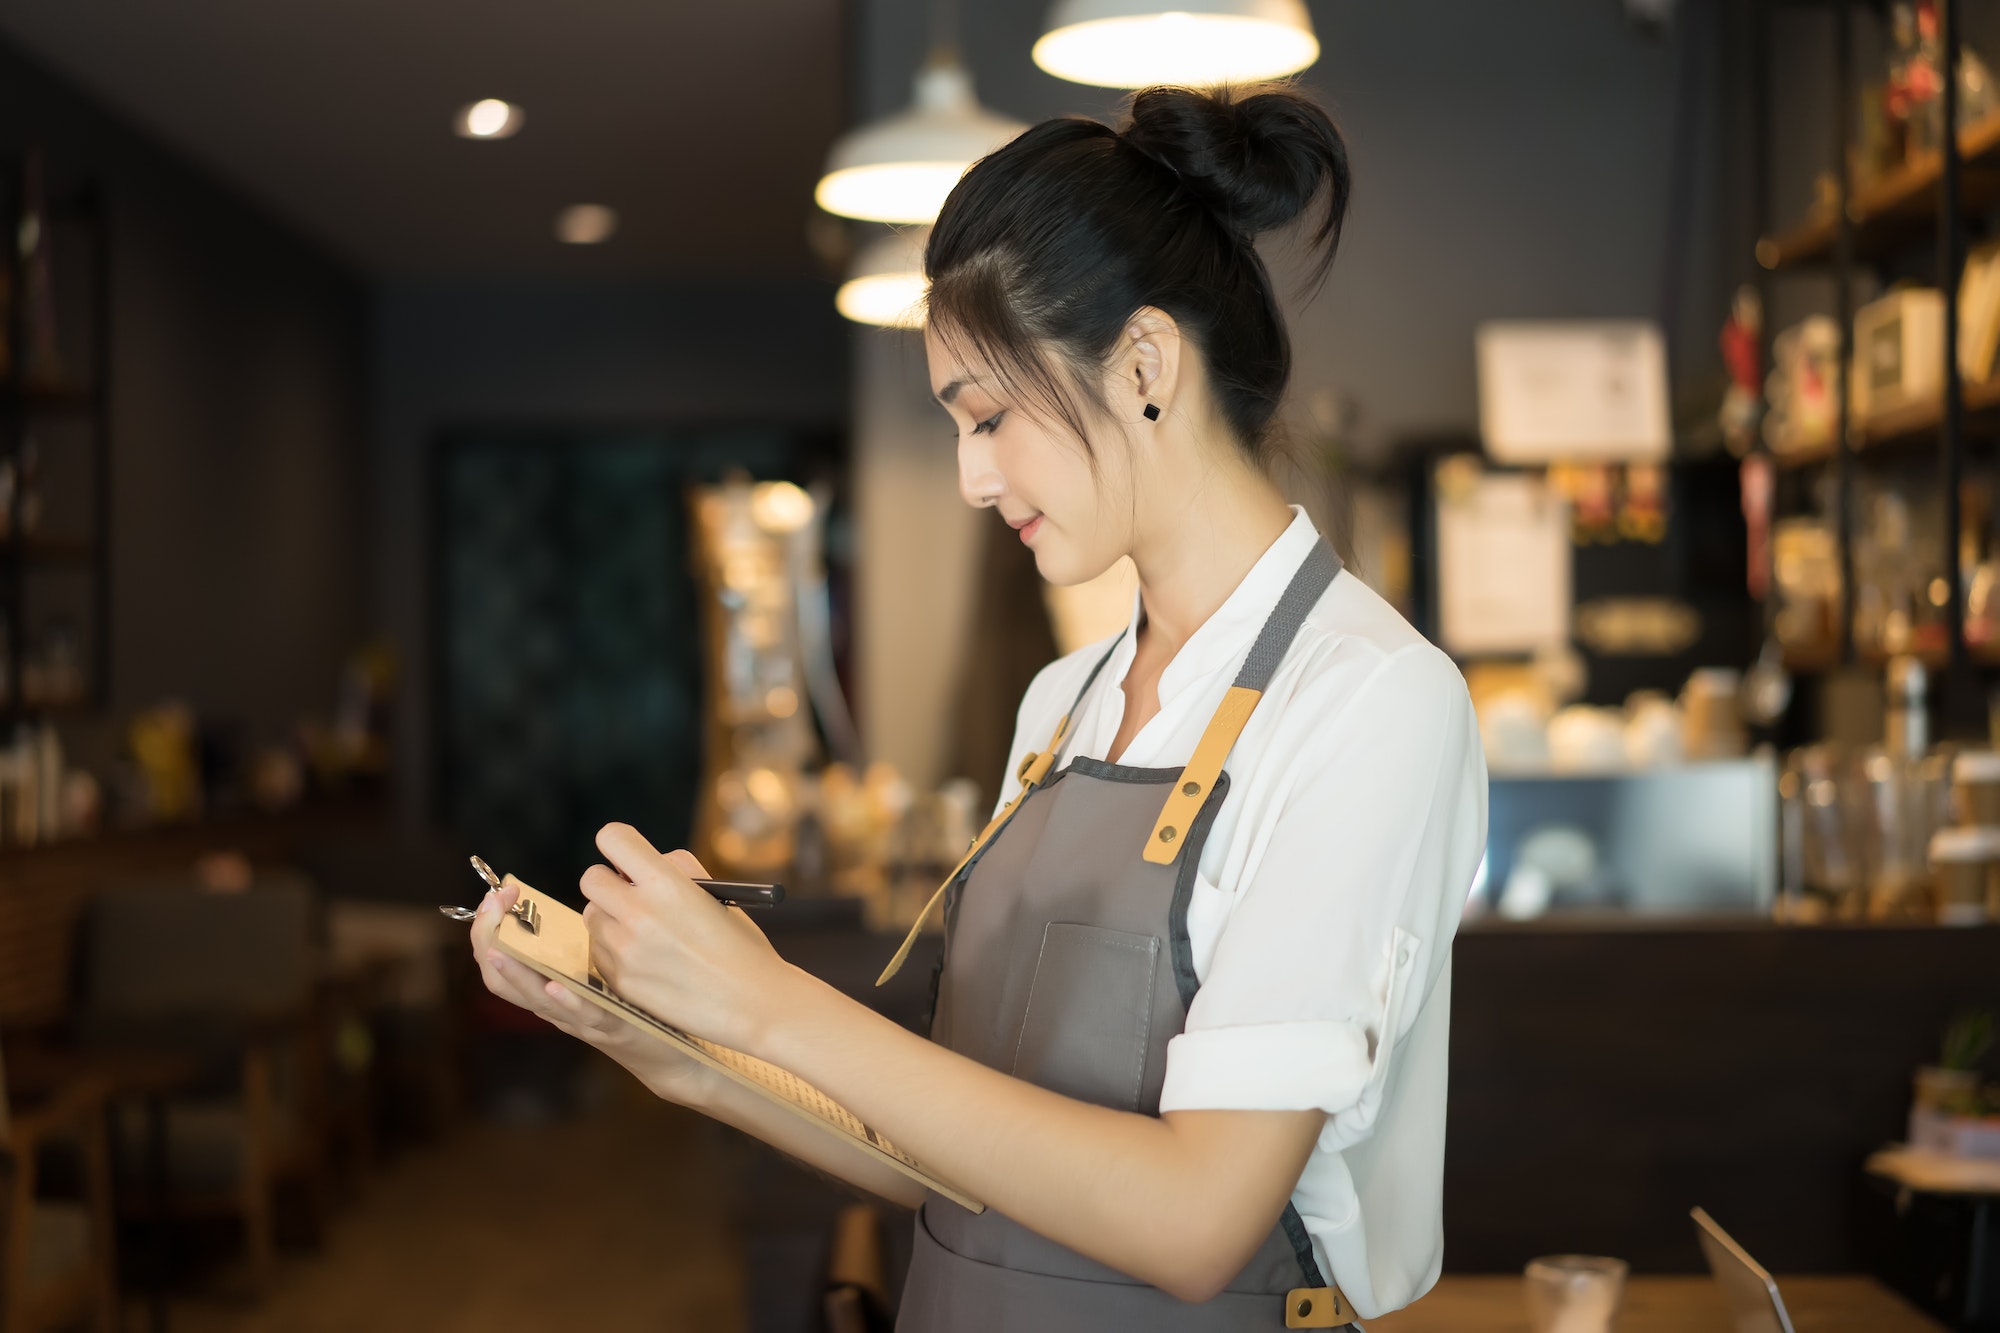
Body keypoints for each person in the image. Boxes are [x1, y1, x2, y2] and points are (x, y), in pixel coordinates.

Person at [473, 82, 1487, 1331]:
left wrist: (770, 1002)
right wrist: (676, 1047)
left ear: (1146, 365)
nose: (968, 474)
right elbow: (953, 1159)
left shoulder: (1370, 704)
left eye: (990, 415)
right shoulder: (1062, 703)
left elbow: (1194, 1220)